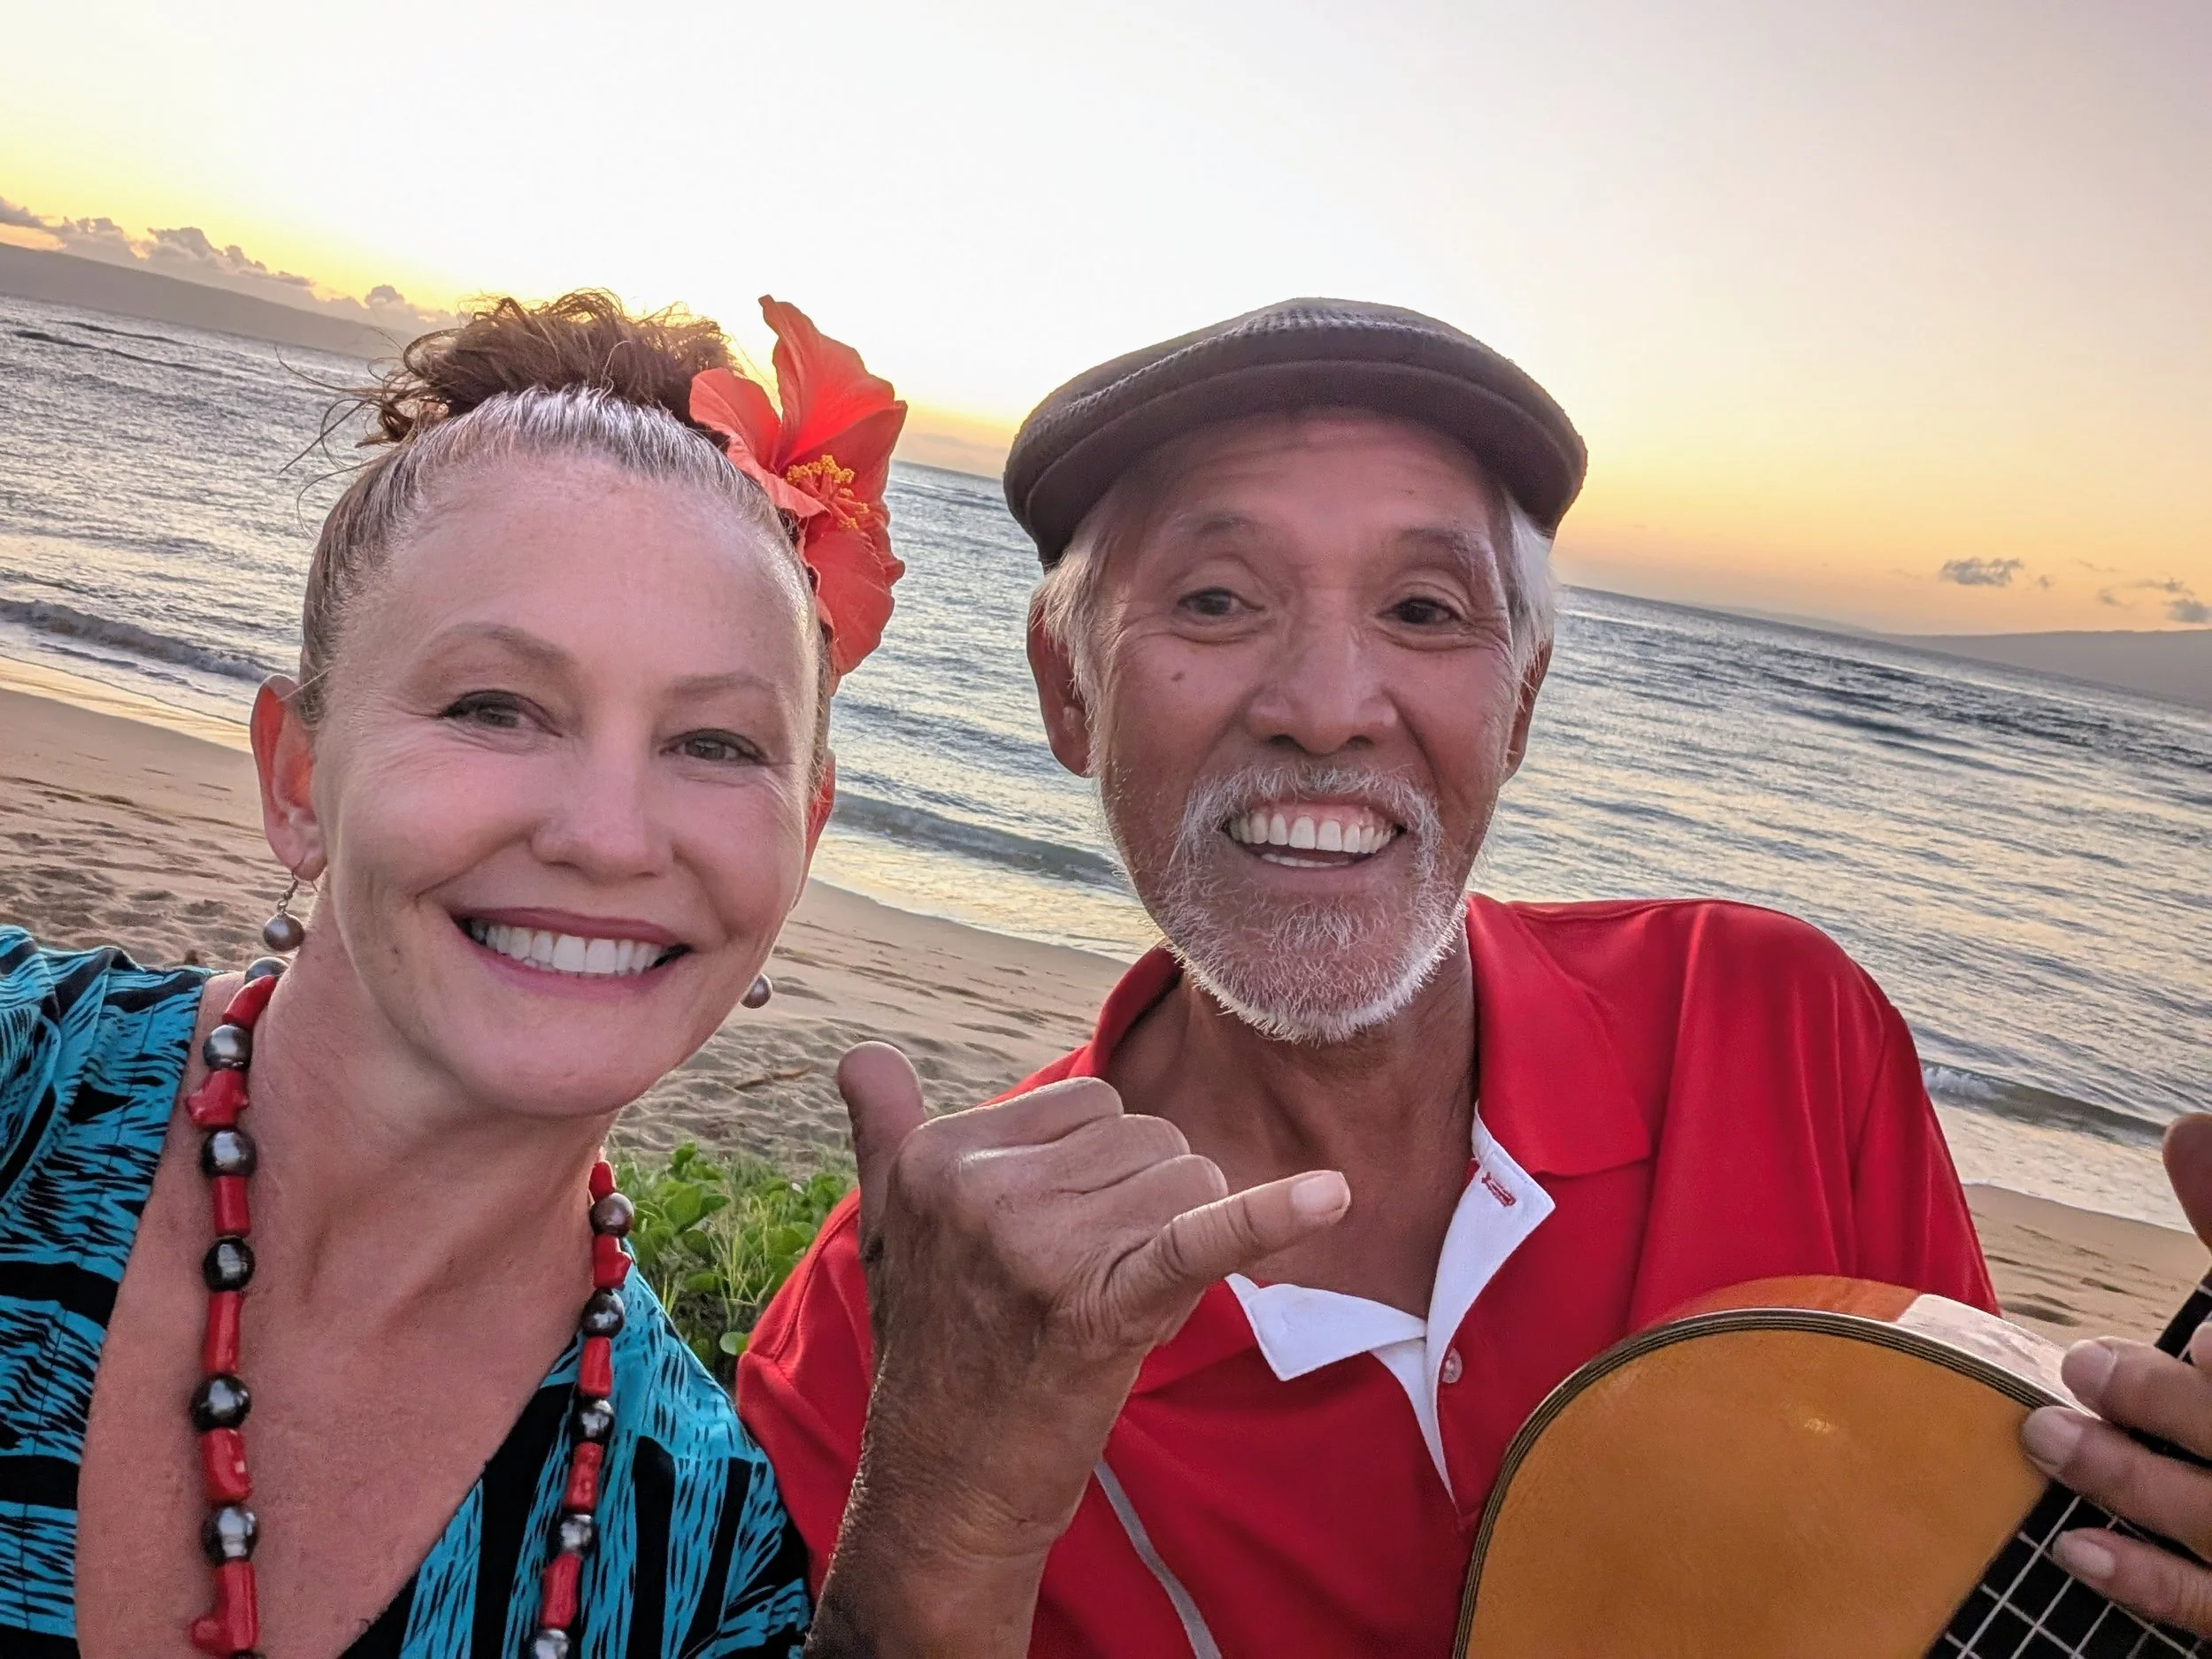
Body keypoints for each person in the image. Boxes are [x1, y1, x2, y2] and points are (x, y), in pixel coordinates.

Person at [741, 298, 2212, 1654]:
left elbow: (1983, 1561)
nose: (1326, 708)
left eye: (1428, 612)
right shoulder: (898, 1321)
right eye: (1212, 600)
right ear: (1069, 687)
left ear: (1524, 695)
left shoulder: (1775, 1028)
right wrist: (946, 1521)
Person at [0, 288, 906, 1657]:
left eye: (717, 743)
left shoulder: (703, 1557)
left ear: (805, 832)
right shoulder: (23, 1093)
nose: (607, 837)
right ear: (299, 777)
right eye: (494, 706)